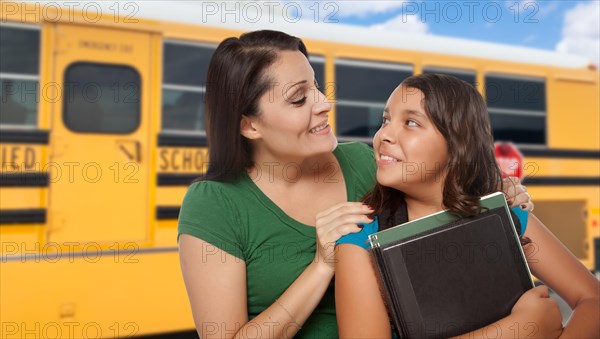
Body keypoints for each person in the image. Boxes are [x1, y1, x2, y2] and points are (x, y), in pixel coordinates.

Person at [177, 30, 532, 338]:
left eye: (315, 86)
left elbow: (441, 213)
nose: (324, 103)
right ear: (249, 126)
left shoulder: (363, 163)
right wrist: (321, 266)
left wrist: (493, 193)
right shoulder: (215, 204)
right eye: (299, 99)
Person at [335, 74, 600, 339]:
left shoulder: (505, 214)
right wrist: (514, 330)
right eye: (386, 120)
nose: (384, 136)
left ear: (456, 143)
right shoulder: (359, 239)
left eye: (411, 122)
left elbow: (592, 300)